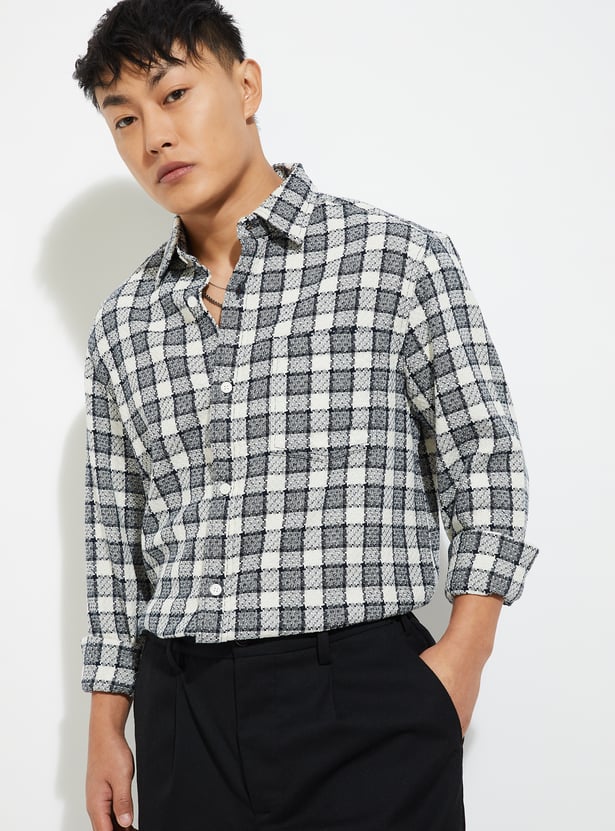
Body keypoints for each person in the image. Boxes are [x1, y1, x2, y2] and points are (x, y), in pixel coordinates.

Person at [73, 1, 539, 829]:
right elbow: (115, 536)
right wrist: (107, 724)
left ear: (246, 86)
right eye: (124, 119)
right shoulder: (122, 322)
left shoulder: (396, 261)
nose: (154, 138)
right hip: (184, 707)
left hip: (363, 694)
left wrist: (461, 660)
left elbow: (485, 462)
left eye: (174, 95)